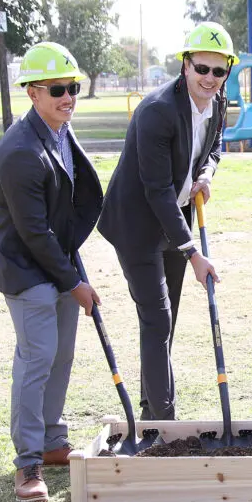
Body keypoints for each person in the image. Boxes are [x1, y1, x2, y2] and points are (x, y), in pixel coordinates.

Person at [0, 42, 103, 502]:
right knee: (38, 358)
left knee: (62, 355)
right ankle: (27, 463)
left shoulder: (57, 130)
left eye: (73, 87)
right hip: (26, 268)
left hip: (58, 259)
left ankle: (53, 442)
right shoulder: (18, 151)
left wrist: (71, 270)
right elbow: (33, 232)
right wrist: (74, 283)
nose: (68, 96)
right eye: (57, 89)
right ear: (32, 92)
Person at [98, 22, 232, 421]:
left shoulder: (218, 104)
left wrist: (206, 172)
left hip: (175, 218)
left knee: (165, 319)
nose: (209, 78)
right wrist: (192, 252)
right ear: (185, 66)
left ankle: (150, 406)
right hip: (137, 224)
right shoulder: (157, 112)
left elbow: (214, 146)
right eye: (201, 69)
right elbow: (156, 190)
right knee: (157, 317)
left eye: (218, 71)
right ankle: (163, 421)